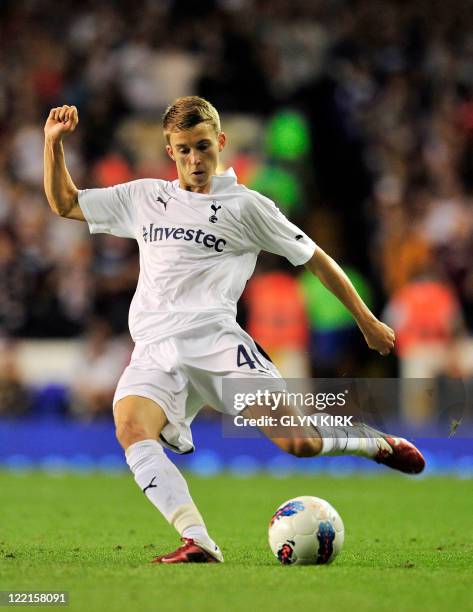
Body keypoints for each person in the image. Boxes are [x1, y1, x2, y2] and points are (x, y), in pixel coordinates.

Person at [43, 97, 425, 564]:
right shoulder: (144, 198)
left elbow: (315, 259)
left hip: (217, 345)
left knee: (298, 443)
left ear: (220, 142)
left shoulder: (247, 207)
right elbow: (65, 202)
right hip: (155, 350)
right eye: (183, 149)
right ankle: (197, 538)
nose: (194, 159)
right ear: (170, 150)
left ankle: (375, 442)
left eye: (203, 146)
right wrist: (52, 144)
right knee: (129, 427)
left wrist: (366, 320)